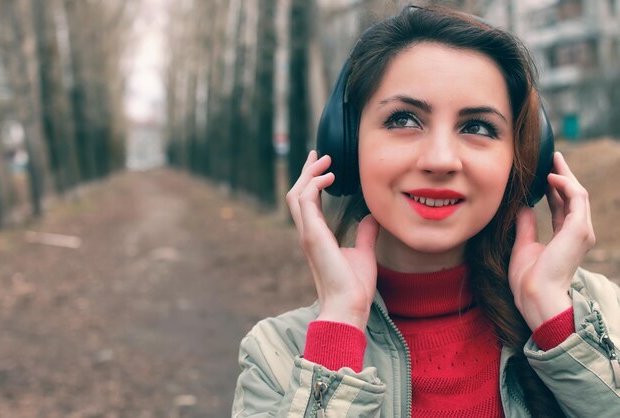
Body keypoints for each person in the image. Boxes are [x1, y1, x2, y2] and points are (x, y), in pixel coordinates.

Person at [232, 5, 620, 417]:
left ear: (523, 162)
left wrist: (554, 320)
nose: (440, 160)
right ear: (345, 143)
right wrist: (340, 332)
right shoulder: (276, 357)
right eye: (404, 119)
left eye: (477, 127)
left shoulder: (597, 316)